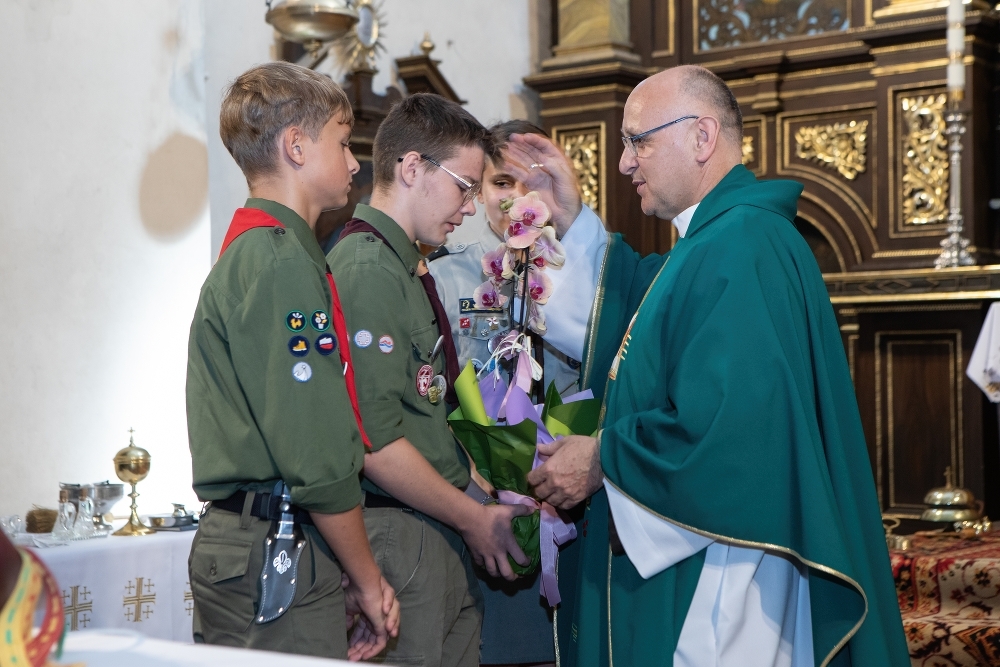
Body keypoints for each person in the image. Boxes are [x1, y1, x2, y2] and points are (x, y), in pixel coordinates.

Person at [515, 65, 910, 666]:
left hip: (727, 570)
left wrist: (602, 459)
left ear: (701, 136)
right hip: (714, 552)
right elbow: (636, 314)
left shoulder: (741, 245)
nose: (624, 162)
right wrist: (571, 221)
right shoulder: (717, 241)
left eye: (638, 141)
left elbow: (734, 427)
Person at [185, 62, 398, 661]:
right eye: (343, 141)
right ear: (296, 146)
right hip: (273, 541)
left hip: (272, 535)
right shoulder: (279, 263)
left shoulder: (267, 252)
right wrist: (367, 578)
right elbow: (314, 450)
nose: (354, 162)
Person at [327, 93, 533, 667]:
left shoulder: (402, 265)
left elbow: (427, 411)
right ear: (412, 167)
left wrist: (481, 494)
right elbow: (373, 440)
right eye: (465, 187)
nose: (470, 208)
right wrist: (474, 517)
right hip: (399, 527)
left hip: (435, 520)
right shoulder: (367, 268)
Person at [427, 120, 598, 666]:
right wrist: (471, 483)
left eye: (535, 181)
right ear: (479, 191)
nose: (518, 197)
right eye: (502, 182)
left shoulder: (589, 271)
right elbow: (430, 394)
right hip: (482, 501)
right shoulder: (445, 274)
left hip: (574, 495)